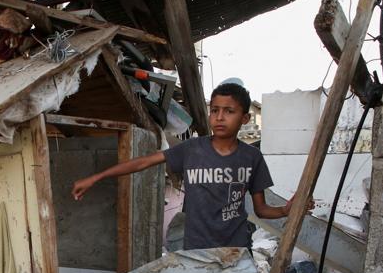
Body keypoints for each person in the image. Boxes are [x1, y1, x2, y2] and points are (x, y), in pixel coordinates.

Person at [71, 82, 304, 250]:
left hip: (237, 251)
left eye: (229, 111)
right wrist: (96, 177)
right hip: (196, 251)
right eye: (215, 110)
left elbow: (261, 209)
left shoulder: (252, 157)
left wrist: (285, 210)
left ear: (244, 118)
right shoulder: (192, 149)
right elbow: (143, 161)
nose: (220, 117)